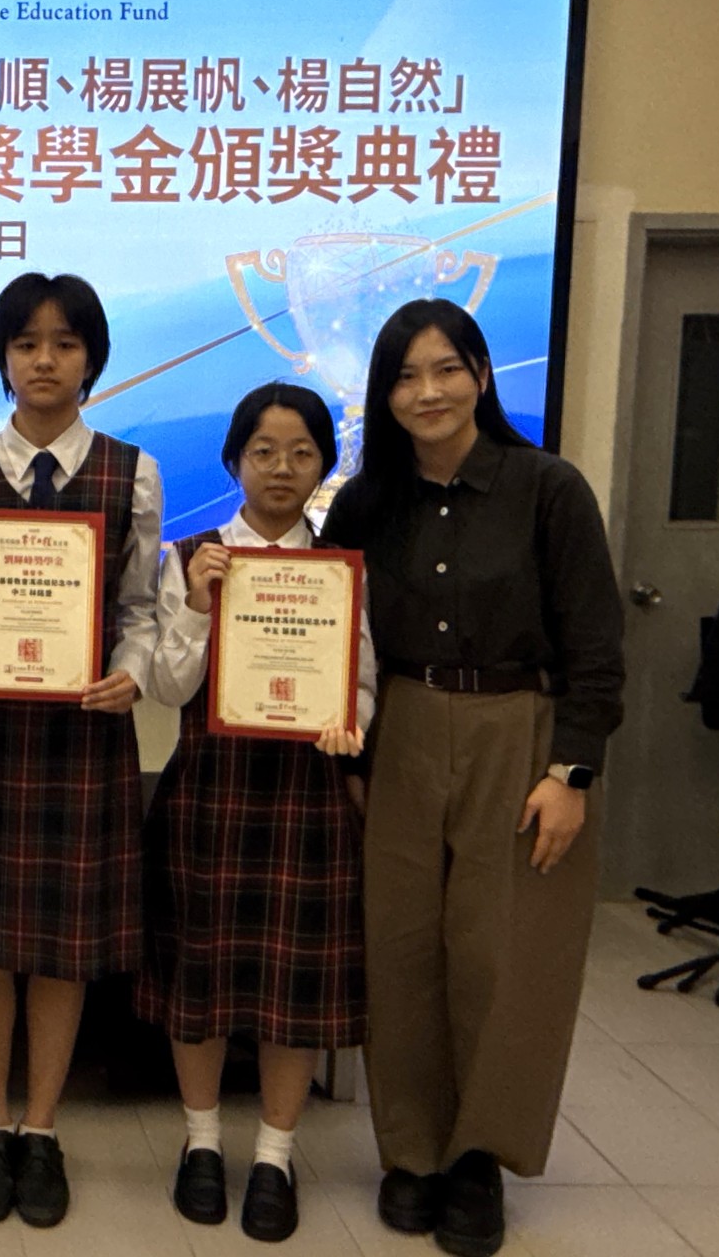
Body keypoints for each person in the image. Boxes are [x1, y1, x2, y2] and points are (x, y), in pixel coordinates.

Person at [321, 298, 624, 1257]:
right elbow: (328, 634)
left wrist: (571, 770)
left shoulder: (548, 488)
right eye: (406, 377)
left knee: (501, 955)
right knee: (402, 949)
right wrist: (356, 760)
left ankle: (477, 1159)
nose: (429, 392)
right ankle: (410, 1154)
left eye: (447, 369)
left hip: (518, 735)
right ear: (384, 395)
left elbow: (596, 644)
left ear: (483, 375)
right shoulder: (365, 504)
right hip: (403, 728)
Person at [0, 272, 160, 1229]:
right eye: (26, 344)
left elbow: (141, 611)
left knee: (64, 948)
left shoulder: (132, 473)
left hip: (83, 737)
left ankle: (43, 1129)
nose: (45, 361)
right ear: (3, 360)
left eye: (65, 343)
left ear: (92, 358)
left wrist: (132, 674)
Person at [136, 382, 375, 1243]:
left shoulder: (342, 567)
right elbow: (168, 686)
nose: (282, 468)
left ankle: (275, 1155)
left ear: (325, 465)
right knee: (199, 978)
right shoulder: (190, 558)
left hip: (308, 795)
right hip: (211, 788)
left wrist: (351, 720)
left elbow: (364, 682)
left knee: (293, 986)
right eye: (264, 451)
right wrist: (201, 608)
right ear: (233, 460)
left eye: (302, 453)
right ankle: (201, 1143)